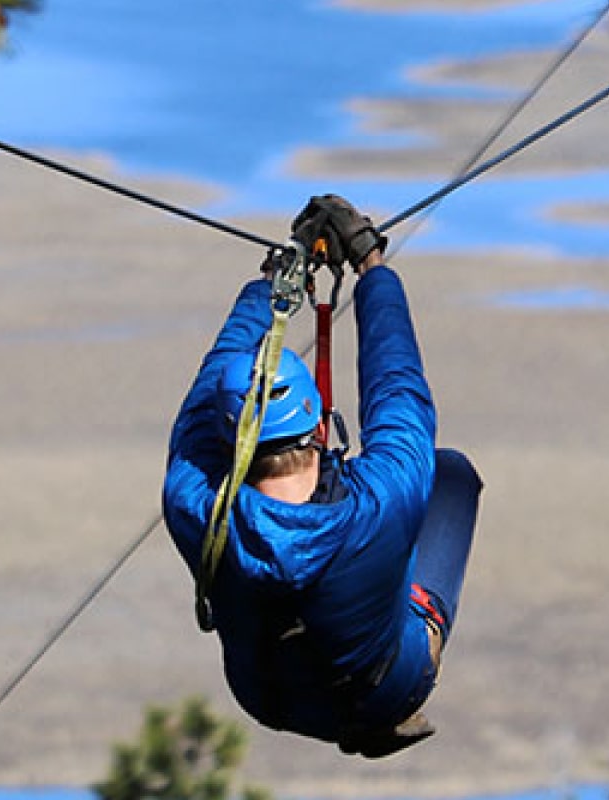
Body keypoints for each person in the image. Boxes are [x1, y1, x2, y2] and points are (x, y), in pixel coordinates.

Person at [161, 195, 483, 758]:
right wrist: (370, 267)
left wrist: (274, 287)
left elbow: (213, 381)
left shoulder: (192, 504)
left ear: (228, 436)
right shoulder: (380, 500)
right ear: (316, 421)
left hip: (269, 699)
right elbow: (396, 385)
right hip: (385, 691)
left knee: (383, 542)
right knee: (450, 475)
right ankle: (414, 638)